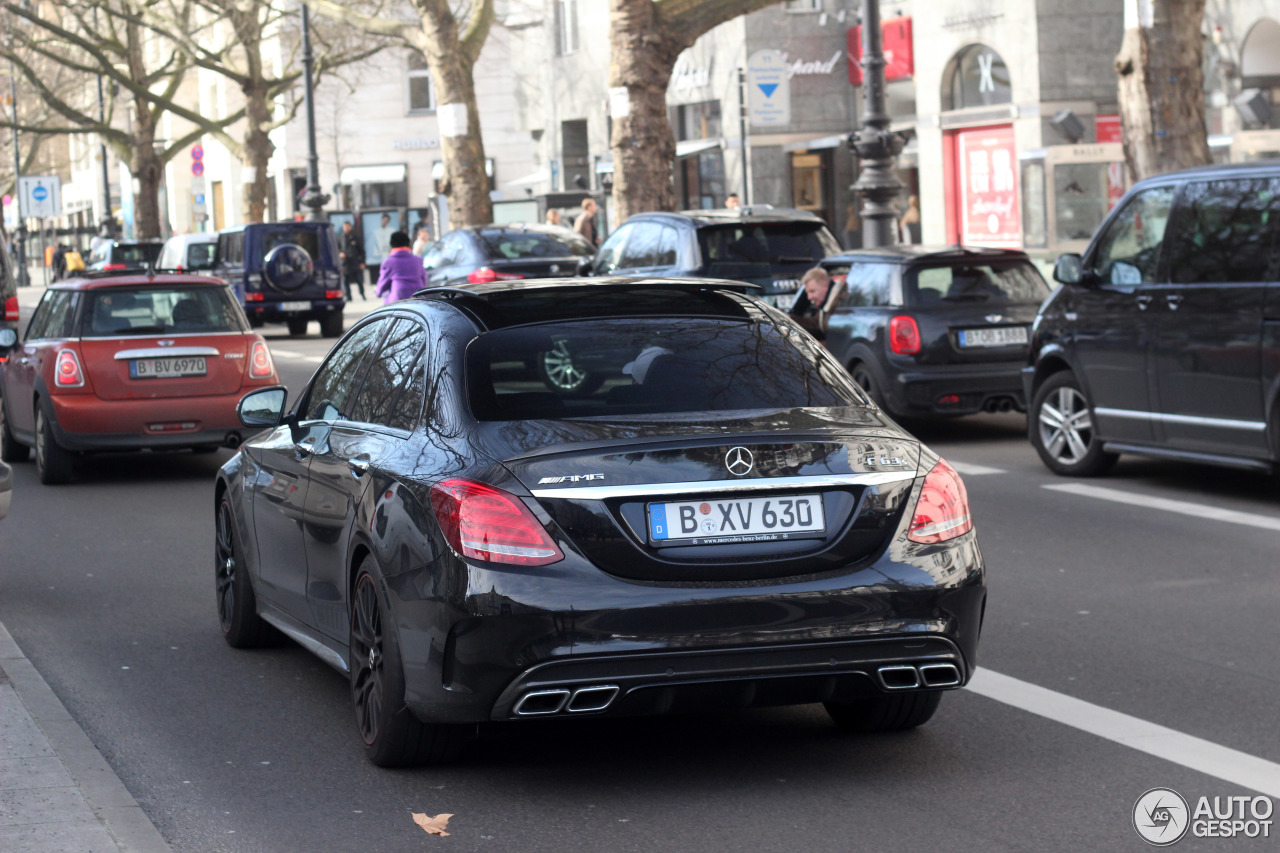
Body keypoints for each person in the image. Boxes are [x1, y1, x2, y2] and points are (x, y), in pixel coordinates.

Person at [789, 267, 844, 344]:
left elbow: (836, 341)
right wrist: (789, 318)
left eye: (812, 291)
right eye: (807, 293)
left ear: (825, 285)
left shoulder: (840, 305)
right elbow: (816, 324)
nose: (809, 297)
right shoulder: (827, 304)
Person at [375, 231, 427, 304]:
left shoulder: (389, 261)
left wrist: (378, 292)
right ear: (408, 244)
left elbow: (383, 282)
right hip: (418, 298)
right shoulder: (417, 260)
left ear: (391, 244)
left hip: (398, 299)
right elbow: (424, 279)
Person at [338, 221, 366, 300]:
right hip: (345, 262)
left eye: (347, 226)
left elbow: (361, 250)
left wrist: (362, 262)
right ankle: (348, 296)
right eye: (344, 227)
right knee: (345, 281)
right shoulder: (341, 237)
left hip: (355, 262)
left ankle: (362, 294)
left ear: (350, 227)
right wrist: (340, 253)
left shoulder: (355, 237)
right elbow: (337, 248)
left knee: (359, 280)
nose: (346, 228)